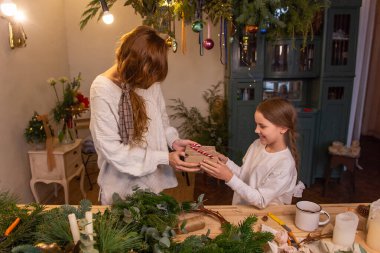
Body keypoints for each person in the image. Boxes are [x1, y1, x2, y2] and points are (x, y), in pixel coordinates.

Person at [90, 26, 200, 205]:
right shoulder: (102, 89)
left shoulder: (148, 79)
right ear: (133, 63)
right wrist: (164, 158)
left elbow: (161, 120)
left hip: (152, 181)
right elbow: (111, 149)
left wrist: (173, 141)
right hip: (120, 187)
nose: (152, 81)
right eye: (150, 73)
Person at [200, 98, 304, 209]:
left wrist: (229, 177)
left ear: (283, 128)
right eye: (256, 125)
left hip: (265, 217)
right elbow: (245, 175)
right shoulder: (257, 145)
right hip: (243, 210)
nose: (256, 130)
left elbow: (261, 200)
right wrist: (226, 162)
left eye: (262, 126)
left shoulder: (284, 164)